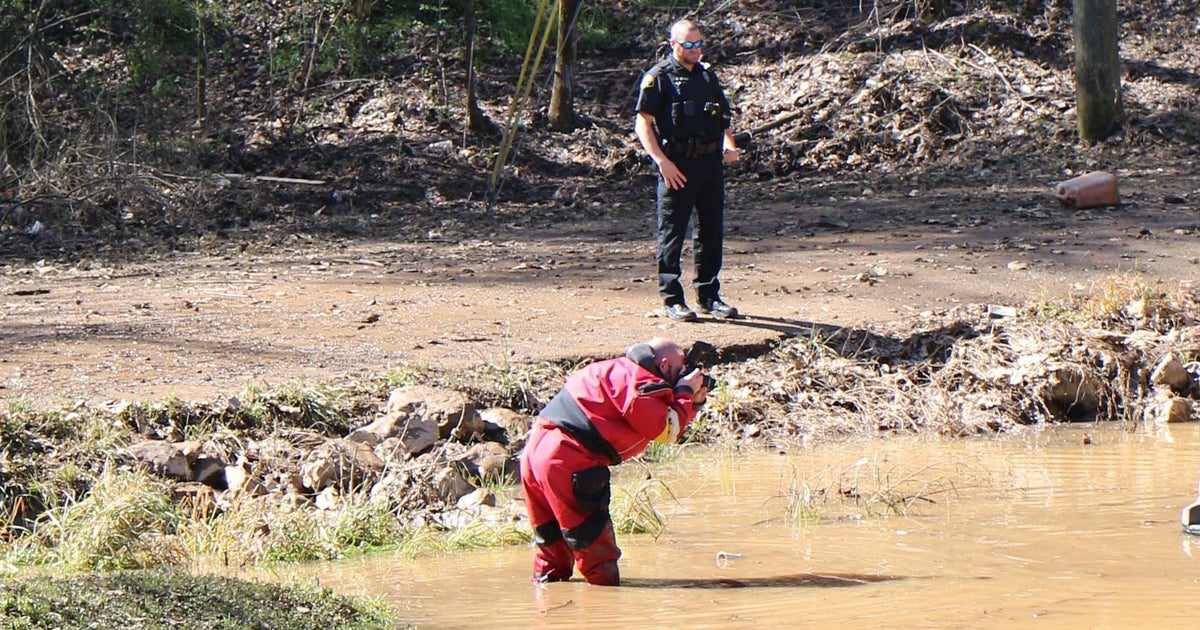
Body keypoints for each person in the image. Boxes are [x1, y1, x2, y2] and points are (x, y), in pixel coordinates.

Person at [519, 337, 710, 586]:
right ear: (663, 365)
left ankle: (545, 607)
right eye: (681, 368)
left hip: (534, 454)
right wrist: (685, 392)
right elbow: (667, 430)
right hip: (567, 460)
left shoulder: (612, 369)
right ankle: (603, 612)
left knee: (551, 550)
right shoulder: (642, 382)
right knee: (597, 554)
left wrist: (691, 401)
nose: (685, 374)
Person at [635, 19, 741, 322]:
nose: (695, 50)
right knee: (673, 233)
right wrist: (661, 161)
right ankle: (672, 298)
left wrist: (728, 145)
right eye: (688, 44)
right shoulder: (659, 78)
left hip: (709, 165)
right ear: (673, 44)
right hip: (677, 165)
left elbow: (722, 119)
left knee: (711, 231)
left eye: (699, 44)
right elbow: (643, 123)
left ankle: (709, 295)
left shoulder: (707, 77)